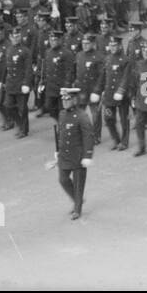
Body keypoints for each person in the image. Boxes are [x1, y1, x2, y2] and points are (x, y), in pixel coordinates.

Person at [54, 86, 93, 220]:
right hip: (65, 155)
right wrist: (58, 151)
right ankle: (78, 200)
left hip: (78, 155)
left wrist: (87, 155)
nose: (64, 101)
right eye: (63, 99)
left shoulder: (82, 116)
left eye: (68, 99)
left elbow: (88, 136)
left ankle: (77, 208)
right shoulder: (62, 114)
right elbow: (61, 135)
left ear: (75, 100)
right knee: (63, 180)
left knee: (78, 184)